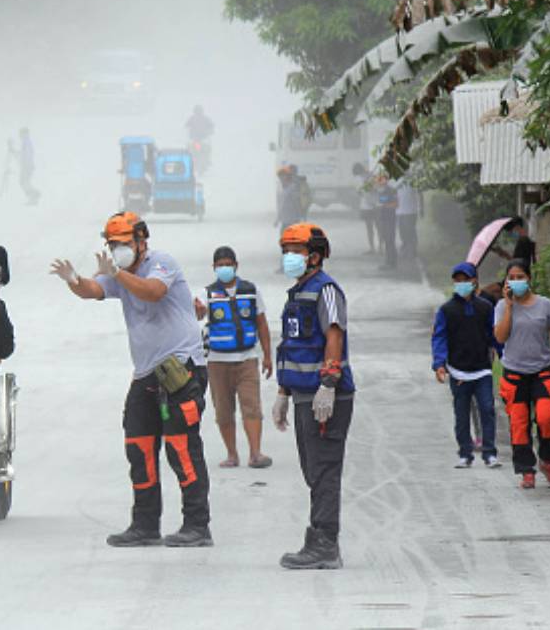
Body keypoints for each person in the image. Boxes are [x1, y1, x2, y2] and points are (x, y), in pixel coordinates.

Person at [50, 212, 211, 548]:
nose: (117, 249)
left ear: (141, 242)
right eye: (112, 244)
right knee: (139, 447)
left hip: (181, 370)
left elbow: (152, 292)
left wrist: (118, 273)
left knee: (181, 447)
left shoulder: (160, 263)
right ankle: (145, 525)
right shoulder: (119, 274)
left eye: (123, 243)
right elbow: (93, 289)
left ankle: (197, 525)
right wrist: (73, 279)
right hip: (146, 374)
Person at [272, 222, 355, 569]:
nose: (289, 257)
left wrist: (329, 383)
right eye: (286, 251)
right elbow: (293, 346)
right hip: (304, 395)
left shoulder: (326, 290)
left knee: (323, 470)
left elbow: (333, 335)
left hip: (326, 396)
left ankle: (324, 544)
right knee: (313, 470)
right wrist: (282, 392)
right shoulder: (298, 293)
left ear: (315, 256)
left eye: (296, 251)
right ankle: (320, 539)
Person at [493, 259, 550, 489]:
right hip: (514, 376)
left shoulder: (545, 305)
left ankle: (546, 459)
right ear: (506, 282)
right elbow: (500, 337)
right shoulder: (501, 307)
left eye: (521, 277)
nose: (517, 282)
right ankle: (526, 470)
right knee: (519, 424)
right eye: (512, 278)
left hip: (542, 372)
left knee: (547, 416)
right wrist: (509, 306)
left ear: (529, 279)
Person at [194, 246, 272, 469]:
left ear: (236, 266)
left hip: (247, 359)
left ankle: (255, 453)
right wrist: (198, 311)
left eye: (228, 264)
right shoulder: (206, 294)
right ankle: (232, 454)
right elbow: (197, 316)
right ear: (214, 268)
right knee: (223, 410)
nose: (224, 268)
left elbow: (262, 324)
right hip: (218, 362)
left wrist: (267, 356)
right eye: (220, 265)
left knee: (252, 406)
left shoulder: (250, 290)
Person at [431, 262, 501, 468]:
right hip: (458, 370)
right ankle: (465, 453)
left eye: (466, 280)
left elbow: (493, 334)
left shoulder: (485, 308)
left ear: (474, 281)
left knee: (487, 408)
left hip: (482, 368)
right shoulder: (447, 310)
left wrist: (503, 353)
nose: (461, 284)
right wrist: (439, 363)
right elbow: (440, 337)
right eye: (458, 280)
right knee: (461, 414)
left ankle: (489, 453)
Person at [374, 173, 398, 270]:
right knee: (386, 240)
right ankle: (388, 261)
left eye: (381, 179)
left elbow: (395, 204)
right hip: (383, 218)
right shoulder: (380, 191)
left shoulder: (390, 190)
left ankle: (391, 262)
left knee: (390, 240)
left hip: (390, 218)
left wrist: (384, 206)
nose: (379, 181)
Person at [354, 164, 378, 254]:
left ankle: (373, 248)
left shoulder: (368, 177)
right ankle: (378, 247)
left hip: (369, 206)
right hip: (371, 205)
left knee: (370, 227)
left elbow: (360, 192)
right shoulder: (370, 176)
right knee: (376, 226)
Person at [396, 181, 421, 261]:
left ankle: (412, 251)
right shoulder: (396, 181)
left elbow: (420, 193)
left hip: (411, 211)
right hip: (399, 211)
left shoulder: (413, 180)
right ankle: (406, 249)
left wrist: (421, 208)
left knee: (410, 231)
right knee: (402, 232)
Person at [274, 164, 304, 233]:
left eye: (283, 176)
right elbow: (281, 205)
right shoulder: (282, 189)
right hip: (287, 219)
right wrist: (277, 219)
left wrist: (300, 214)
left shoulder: (292, 187)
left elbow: (296, 201)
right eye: (280, 177)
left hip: (293, 218)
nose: (281, 179)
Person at [18, 128, 40, 206]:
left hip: (27, 166)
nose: (19, 135)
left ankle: (34, 195)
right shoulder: (26, 142)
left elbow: (27, 155)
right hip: (27, 166)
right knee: (24, 182)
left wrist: (25, 165)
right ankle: (34, 196)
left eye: (20, 133)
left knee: (23, 182)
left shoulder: (26, 142)